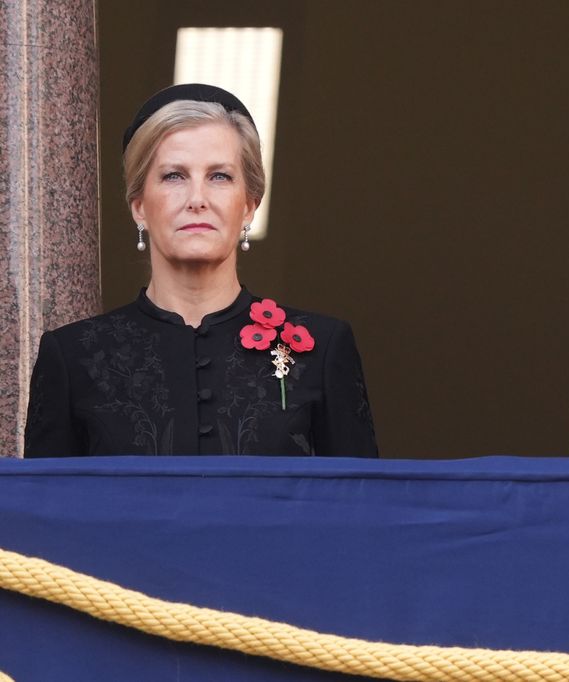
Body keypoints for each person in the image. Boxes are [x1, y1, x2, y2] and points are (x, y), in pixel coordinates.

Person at [24, 84, 377, 457]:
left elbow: (361, 506)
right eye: (174, 176)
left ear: (249, 206)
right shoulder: (71, 356)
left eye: (220, 176)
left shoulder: (322, 348)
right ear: (139, 206)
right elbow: (45, 510)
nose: (197, 200)